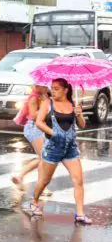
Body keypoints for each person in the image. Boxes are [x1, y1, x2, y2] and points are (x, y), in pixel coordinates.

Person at [27, 78, 90, 224]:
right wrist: (52, 132)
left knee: (78, 180)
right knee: (44, 181)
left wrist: (79, 114)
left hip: (70, 148)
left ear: (65, 90)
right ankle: (35, 201)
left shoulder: (72, 104)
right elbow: (39, 122)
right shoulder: (47, 104)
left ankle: (80, 214)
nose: (52, 91)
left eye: (56, 88)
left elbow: (82, 125)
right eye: (52, 88)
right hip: (53, 148)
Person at [12, 85, 50, 192]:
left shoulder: (44, 95)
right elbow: (33, 115)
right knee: (44, 159)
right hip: (34, 128)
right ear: (37, 86)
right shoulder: (34, 97)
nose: (47, 87)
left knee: (43, 158)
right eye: (44, 86)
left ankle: (20, 177)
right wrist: (45, 109)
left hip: (41, 127)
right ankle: (41, 187)